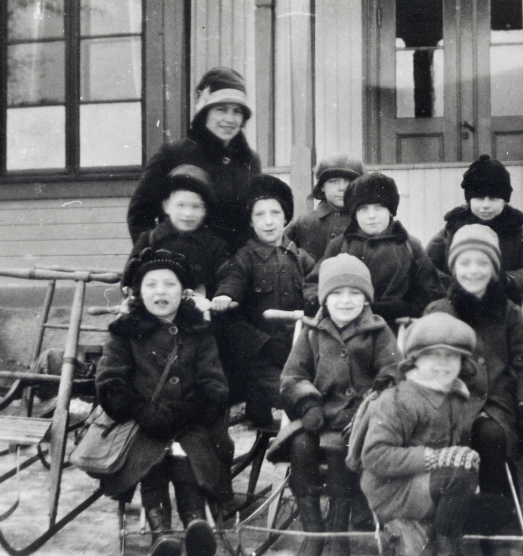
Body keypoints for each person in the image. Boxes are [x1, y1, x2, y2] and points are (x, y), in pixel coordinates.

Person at [94, 248, 233, 556]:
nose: (160, 292)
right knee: (151, 455)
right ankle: (161, 534)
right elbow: (109, 383)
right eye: (151, 284)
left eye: (169, 285)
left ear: (183, 291)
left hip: (191, 422)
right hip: (140, 423)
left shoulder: (198, 331)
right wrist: (141, 410)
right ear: (137, 292)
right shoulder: (124, 331)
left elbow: (215, 384)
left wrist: (189, 410)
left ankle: (196, 526)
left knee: (188, 450)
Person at [353, 312, 497, 556]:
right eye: (433, 355)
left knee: (496, 510)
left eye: (452, 356)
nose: (443, 363)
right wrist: (437, 458)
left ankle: (410, 533)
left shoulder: (453, 394)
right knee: (461, 477)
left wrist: (459, 456)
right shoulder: (398, 399)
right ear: (415, 359)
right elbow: (375, 456)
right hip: (391, 489)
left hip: (423, 485)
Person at [424, 225, 523, 556]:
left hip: (495, 401)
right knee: (442, 437)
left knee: (490, 436)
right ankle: (442, 517)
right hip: (449, 396)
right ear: (454, 268)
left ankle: (494, 521)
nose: (473, 271)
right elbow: (422, 357)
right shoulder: (440, 309)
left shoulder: (507, 311)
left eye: (482, 263)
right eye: (465, 263)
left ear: (494, 269)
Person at [280, 254, 402, 556]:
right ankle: (313, 533)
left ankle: (337, 538)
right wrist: (307, 404)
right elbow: (293, 376)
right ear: (324, 297)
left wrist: (368, 409)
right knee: (301, 446)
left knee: (338, 450)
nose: (345, 301)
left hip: (358, 421)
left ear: (365, 299)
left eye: (354, 293)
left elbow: (393, 374)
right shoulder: (311, 331)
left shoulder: (377, 330)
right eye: (336, 293)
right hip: (316, 416)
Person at [209, 175, 315, 427]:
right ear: (250, 221)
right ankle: (290, 418)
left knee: (313, 382)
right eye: (259, 215)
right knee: (287, 391)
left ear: (285, 217)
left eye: (275, 213)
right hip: (260, 353)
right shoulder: (244, 258)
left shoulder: (298, 256)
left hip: (297, 347)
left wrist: (318, 297)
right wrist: (225, 295)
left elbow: (316, 281)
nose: (268, 222)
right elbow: (232, 279)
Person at [127, 67, 261, 253]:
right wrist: (159, 262)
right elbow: (140, 215)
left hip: (233, 273)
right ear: (204, 112)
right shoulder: (173, 154)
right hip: (182, 270)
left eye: (237, 111)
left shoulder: (249, 161)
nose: (230, 119)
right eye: (221, 109)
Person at [304, 172, 444, 330]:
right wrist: (328, 305)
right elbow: (314, 284)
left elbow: (431, 292)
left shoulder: (409, 245)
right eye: (363, 209)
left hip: (396, 330)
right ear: (355, 215)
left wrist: (403, 309)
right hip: (346, 328)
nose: (371, 216)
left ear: (390, 211)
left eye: (379, 208)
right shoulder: (340, 245)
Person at [426, 154, 523, 303]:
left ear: (505, 200)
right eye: (479, 198)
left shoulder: (516, 231)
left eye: (494, 198)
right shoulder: (453, 227)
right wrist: (455, 285)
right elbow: (427, 267)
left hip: (501, 305)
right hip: (458, 303)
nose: (486, 205)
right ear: (469, 199)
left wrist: (506, 280)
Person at [126, 164, 230, 296]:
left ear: (205, 211)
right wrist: (134, 297)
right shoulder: (150, 239)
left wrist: (223, 295)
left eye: (196, 207)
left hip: (199, 310)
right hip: (157, 306)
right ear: (166, 206)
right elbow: (130, 275)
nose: (188, 213)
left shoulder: (214, 245)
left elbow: (227, 276)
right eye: (181, 205)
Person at [283, 155, 367, 261]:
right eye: (334, 181)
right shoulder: (304, 222)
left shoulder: (366, 221)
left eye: (348, 182)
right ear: (322, 187)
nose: (342, 188)